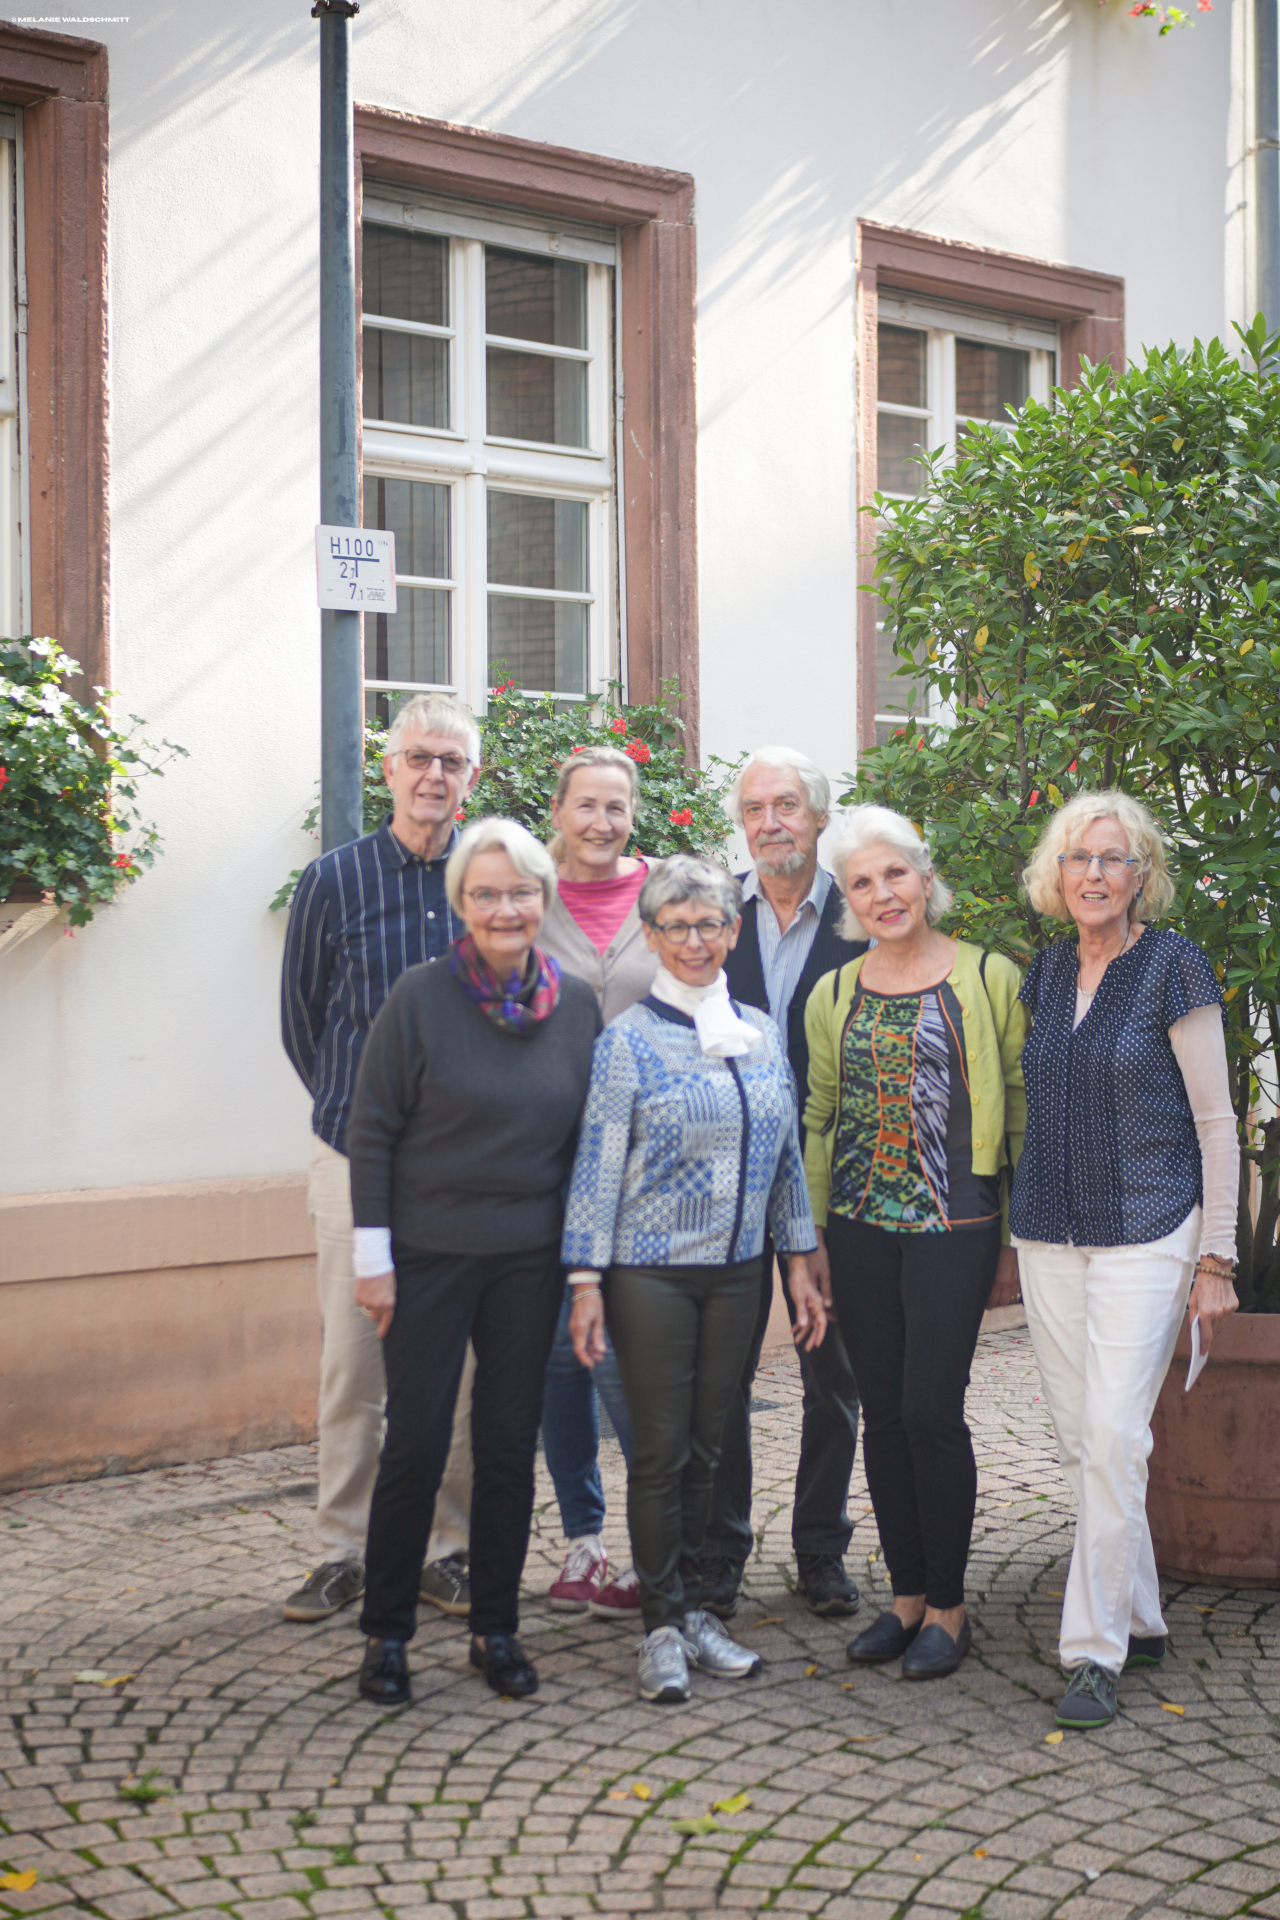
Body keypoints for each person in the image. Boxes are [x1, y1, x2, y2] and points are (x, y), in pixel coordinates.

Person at [346, 819, 601, 1707]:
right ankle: (386, 1635)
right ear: (462, 903)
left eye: (521, 892)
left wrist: (581, 1275)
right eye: (486, 894)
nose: (505, 908)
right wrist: (372, 1259)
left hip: (528, 1260)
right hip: (426, 1255)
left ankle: (496, 1628)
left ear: (545, 901)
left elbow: (582, 1148)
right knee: (414, 1444)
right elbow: (370, 1129)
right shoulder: (419, 999)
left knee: (504, 1446)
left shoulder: (575, 1007)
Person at [563, 856, 828, 1705]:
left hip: (740, 1273)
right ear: (652, 936)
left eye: (710, 923)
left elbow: (785, 1157)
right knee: (660, 1449)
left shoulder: (755, 1028)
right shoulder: (628, 1042)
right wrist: (584, 1280)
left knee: (712, 1447)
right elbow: (597, 1167)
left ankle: (699, 1608)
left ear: (732, 932)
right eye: (675, 925)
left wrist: (799, 1263)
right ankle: (662, 1627)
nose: (694, 940)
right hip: (652, 1275)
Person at [1012, 790, 1239, 1731]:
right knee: (1083, 1442)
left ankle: (1093, 1652)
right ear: (1055, 877)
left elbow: (1218, 1121)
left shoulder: (1174, 967)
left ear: (1141, 875)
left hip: (1150, 1228)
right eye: (1077, 860)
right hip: (1049, 1231)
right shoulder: (1046, 969)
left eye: (1112, 859)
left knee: (1113, 1435)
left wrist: (1217, 1257)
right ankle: (1139, 1615)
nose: (1093, 875)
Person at [803, 805, 1027, 1681]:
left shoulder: (988, 976)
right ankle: (902, 1601)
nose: (882, 893)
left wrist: (1014, 1234)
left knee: (933, 1411)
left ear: (926, 879)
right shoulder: (835, 991)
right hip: (858, 1229)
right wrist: (813, 1235)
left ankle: (949, 1606)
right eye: (862, 883)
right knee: (885, 1415)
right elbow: (821, 1114)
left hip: (955, 1228)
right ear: (848, 902)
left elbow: (1017, 1105)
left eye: (895, 874)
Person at [279, 692, 482, 1627]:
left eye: (451, 761)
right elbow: (305, 1020)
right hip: (355, 1162)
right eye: (418, 758)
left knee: (455, 1372)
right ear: (389, 769)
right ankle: (342, 1552)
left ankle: (447, 1550)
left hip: (461, 1172)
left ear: (471, 778)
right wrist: (361, 1111)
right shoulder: (333, 880)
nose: (433, 775)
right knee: (352, 1367)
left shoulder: (487, 882)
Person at [702, 747, 868, 1621]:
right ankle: (722, 1552)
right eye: (756, 807)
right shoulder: (708, 914)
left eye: (788, 806)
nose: (771, 822)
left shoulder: (861, 917)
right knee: (723, 1376)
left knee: (831, 1376)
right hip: (726, 1184)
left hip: (830, 1188)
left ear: (819, 817)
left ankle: (820, 1551)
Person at [536, 745, 657, 1619]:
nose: (602, 823)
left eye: (617, 807)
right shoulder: (525, 895)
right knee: (557, 1356)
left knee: (636, 1350)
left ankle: (659, 1539)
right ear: (560, 811)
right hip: (545, 1157)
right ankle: (584, 1540)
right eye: (587, 806)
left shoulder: (670, 893)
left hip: (652, 1162)